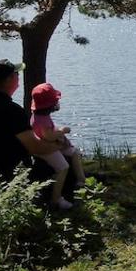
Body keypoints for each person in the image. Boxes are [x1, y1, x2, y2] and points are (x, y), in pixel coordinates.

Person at [0, 59, 61, 186]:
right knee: (57, 167)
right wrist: (59, 145)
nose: (18, 77)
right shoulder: (12, 110)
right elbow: (36, 147)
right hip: (5, 177)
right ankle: (55, 203)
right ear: (8, 80)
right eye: (16, 74)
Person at [30, 82, 85, 210]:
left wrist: (58, 134)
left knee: (73, 152)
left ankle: (81, 180)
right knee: (63, 167)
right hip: (46, 149)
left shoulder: (39, 116)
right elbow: (48, 136)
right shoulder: (42, 119)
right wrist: (63, 131)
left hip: (51, 144)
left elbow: (48, 133)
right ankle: (56, 199)